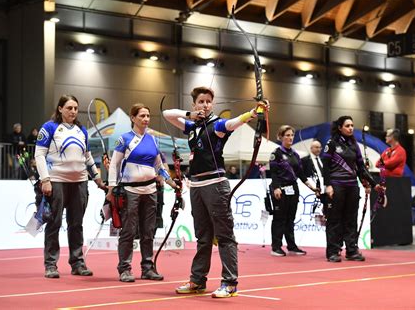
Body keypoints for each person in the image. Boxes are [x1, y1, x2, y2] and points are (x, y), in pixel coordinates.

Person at [163, 86, 268, 298]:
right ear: (194, 105)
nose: (205, 105)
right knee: (203, 237)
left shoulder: (217, 125)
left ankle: (230, 283)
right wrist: (189, 115)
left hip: (216, 184)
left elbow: (234, 122)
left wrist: (254, 112)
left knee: (224, 235)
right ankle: (197, 281)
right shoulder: (192, 126)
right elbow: (167, 114)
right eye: (201, 101)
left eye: (208, 101)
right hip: (196, 186)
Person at [35, 94, 105, 279]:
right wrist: (45, 180)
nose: (73, 111)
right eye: (69, 108)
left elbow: (87, 156)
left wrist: (96, 177)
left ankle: (77, 263)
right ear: (60, 109)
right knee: (54, 223)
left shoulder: (81, 130)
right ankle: (50, 264)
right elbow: (39, 155)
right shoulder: (49, 128)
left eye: (75, 108)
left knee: (76, 224)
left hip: (80, 182)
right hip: (56, 181)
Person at [106, 103, 178, 283]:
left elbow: (159, 167)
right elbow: (114, 165)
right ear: (133, 118)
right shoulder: (125, 139)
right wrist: (111, 188)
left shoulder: (153, 140)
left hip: (151, 191)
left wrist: (172, 182)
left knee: (148, 231)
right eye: (142, 116)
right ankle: (124, 268)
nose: (146, 119)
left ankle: (147, 267)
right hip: (130, 191)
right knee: (128, 231)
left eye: (148, 116)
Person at [322, 116, 384, 263]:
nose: (350, 128)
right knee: (334, 220)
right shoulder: (332, 144)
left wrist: (373, 184)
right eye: (347, 125)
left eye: (352, 125)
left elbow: (361, 168)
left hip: (352, 187)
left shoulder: (354, 145)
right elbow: (325, 166)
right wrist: (328, 185)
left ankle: (351, 250)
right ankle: (333, 251)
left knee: (351, 220)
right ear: (340, 128)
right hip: (336, 186)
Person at [269, 126, 319, 257]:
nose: (290, 138)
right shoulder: (276, 154)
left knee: (290, 219)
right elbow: (273, 173)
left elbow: (301, 175)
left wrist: (312, 188)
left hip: (293, 189)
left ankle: (292, 246)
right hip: (280, 189)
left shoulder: (295, 154)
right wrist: (276, 187)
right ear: (280, 137)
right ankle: (276, 247)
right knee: (279, 219)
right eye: (287, 135)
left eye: (292, 135)